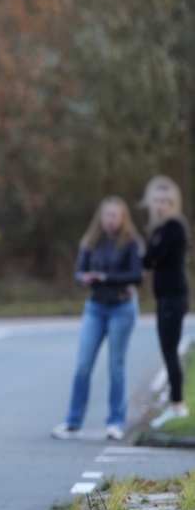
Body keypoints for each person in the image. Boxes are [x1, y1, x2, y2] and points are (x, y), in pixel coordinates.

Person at [53, 197, 144, 441]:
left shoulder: (130, 243)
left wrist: (105, 277)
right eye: (107, 215)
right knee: (83, 365)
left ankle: (115, 422)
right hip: (95, 308)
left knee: (116, 366)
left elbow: (136, 276)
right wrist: (85, 278)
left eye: (115, 216)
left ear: (123, 218)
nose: (110, 220)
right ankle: (73, 421)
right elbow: (78, 272)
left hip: (121, 308)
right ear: (100, 217)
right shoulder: (91, 242)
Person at [144, 176, 189, 426]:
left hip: (174, 296)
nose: (161, 205)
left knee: (170, 350)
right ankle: (175, 402)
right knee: (166, 350)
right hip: (163, 297)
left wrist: (151, 257)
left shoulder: (174, 227)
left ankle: (178, 404)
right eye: (157, 200)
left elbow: (154, 258)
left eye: (166, 201)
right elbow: (148, 260)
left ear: (174, 203)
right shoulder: (158, 229)